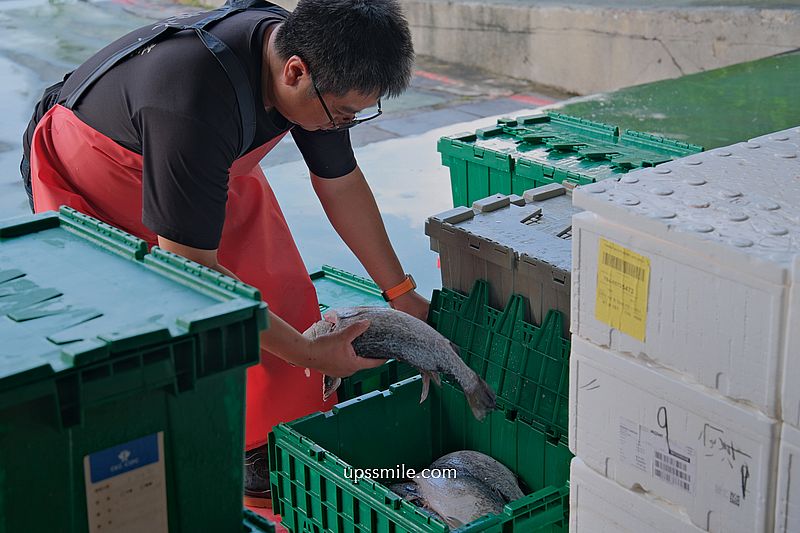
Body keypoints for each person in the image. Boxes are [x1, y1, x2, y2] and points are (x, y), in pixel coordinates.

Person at [22, 0, 426, 508]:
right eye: (342, 114)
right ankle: (210, 447)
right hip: (99, 171)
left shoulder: (303, 61)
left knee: (280, 292)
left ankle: (265, 439)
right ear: (296, 72)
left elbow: (340, 183)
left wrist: (401, 292)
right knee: (162, 328)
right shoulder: (192, 99)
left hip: (197, 166)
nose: (342, 124)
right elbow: (191, 271)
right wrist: (306, 353)